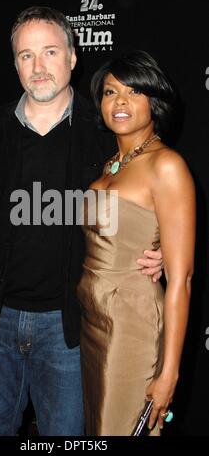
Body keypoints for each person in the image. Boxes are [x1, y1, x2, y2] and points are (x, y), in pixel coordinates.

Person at [0, 8, 163, 436]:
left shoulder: (106, 129)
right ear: (15, 63)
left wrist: (165, 245)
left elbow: (156, 192)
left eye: (50, 52)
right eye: (26, 55)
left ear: (73, 57)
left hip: (69, 325)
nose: (38, 67)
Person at [77, 50, 196, 436]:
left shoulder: (167, 166)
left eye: (133, 91)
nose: (120, 102)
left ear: (154, 101)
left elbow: (182, 279)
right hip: (94, 322)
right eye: (110, 92)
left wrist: (169, 373)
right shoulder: (111, 163)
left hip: (133, 325)